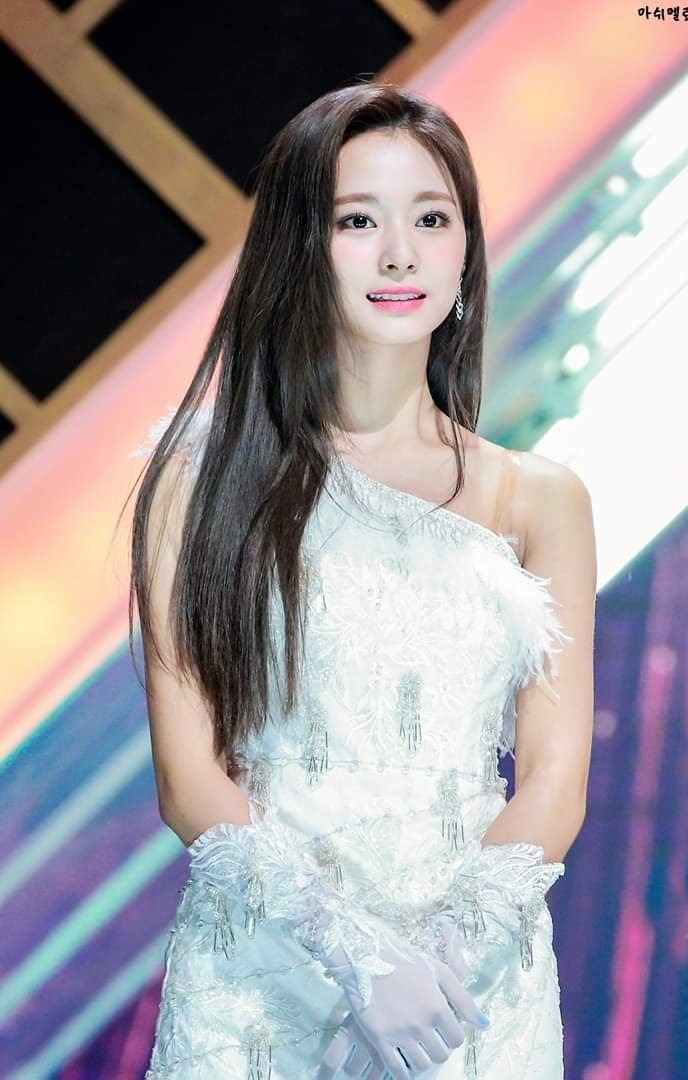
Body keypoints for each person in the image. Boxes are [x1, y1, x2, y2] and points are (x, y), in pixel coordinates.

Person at [127, 80, 596, 1079]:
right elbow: (188, 777)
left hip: (469, 989)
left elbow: (554, 777)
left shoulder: (539, 498)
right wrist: (356, 956)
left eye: (431, 218)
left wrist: (440, 963)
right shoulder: (199, 482)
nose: (399, 255)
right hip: (259, 980)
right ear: (301, 244)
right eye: (356, 221)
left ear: (466, 250)